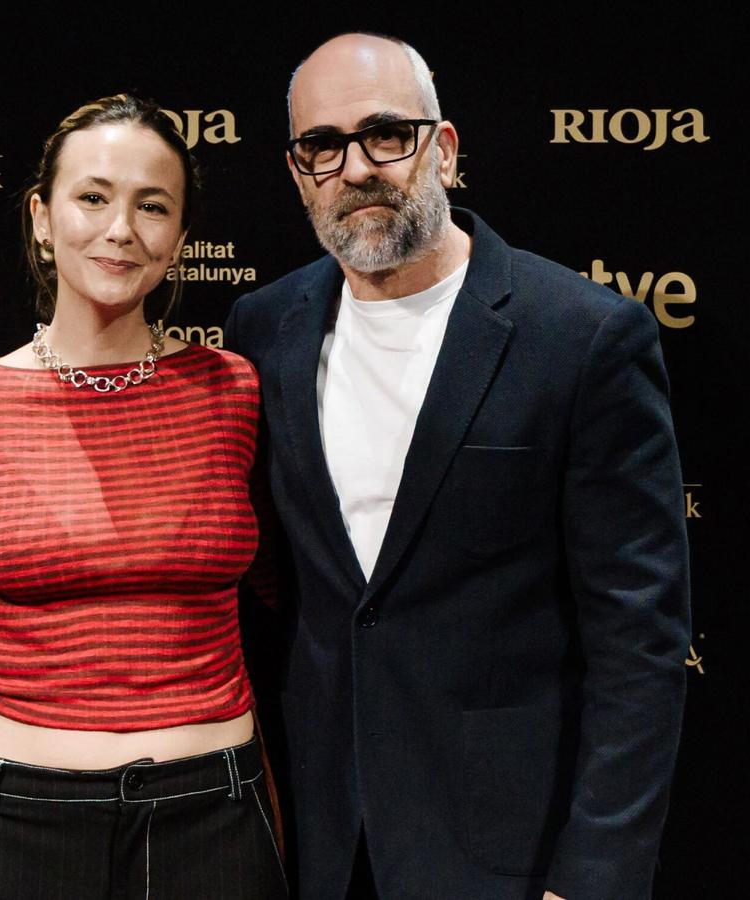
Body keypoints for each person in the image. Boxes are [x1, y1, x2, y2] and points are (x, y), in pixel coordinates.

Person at [221, 33, 691, 900]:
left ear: (444, 148)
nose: (355, 167)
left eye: (386, 133)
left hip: (507, 852)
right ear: (297, 174)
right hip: (313, 840)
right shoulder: (265, 327)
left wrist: (593, 878)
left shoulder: (582, 338)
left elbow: (640, 645)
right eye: (321, 146)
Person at [0, 94, 286, 900]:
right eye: (93, 197)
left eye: (152, 206)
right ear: (41, 215)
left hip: (215, 820)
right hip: (9, 818)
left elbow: (297, 585)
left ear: (180, 238)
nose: (121, 228)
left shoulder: (233, 392)